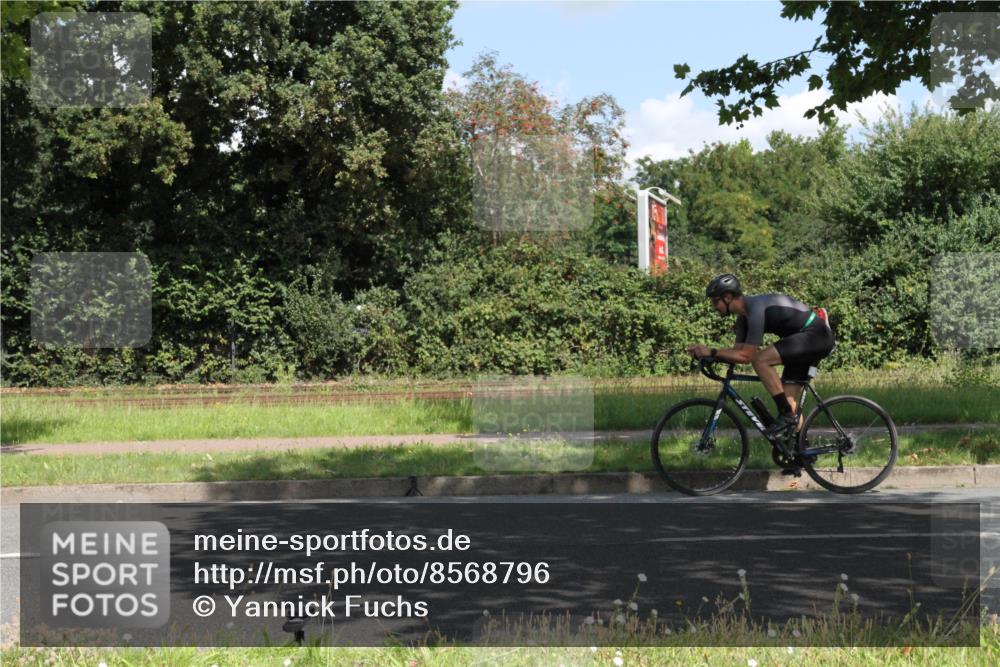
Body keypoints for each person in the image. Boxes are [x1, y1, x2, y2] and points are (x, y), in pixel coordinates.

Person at [686, 273, 835, 442]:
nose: (714, 307)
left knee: (760, 359)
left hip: (816, 336)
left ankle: (786, 416)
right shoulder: (743, 318)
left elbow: (747, 356)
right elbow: (737, 352)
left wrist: (712, 352)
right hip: (802, 340)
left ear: (727, 297)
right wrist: (712, 356)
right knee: (788, 401)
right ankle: (798, 450)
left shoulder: (755, 310)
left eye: (715, 302)